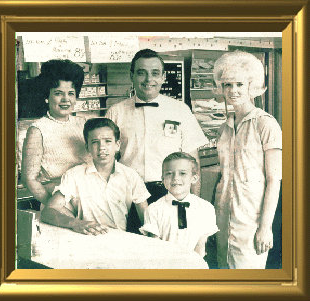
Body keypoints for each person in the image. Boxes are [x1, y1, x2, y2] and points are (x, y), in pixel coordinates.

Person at [105, 49, 209, 231]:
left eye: (154, 73)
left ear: (163, 77)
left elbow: (193, 161)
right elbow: (106, 161)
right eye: (141, 73)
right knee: (132, 249)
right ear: (132, 76)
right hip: (127, 195)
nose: (148, 79)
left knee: (172, 249)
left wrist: (193, 201)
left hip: (171, 192)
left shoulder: (180, 110)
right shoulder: (116, 112)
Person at [213, 51, 282, 269]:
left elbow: (274, 180)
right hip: (222, 216)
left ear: (251, 86)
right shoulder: (225, 127)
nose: (233, 91)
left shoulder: (265, 124)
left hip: (251, 220)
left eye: (239, 84)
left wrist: (265, 227)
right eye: (227, 85)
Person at [41, 118, 150, 235]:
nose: (101, 147)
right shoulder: (74, 175)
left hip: (120, 239)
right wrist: (76, 223)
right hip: (87, 238)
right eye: (95, 142)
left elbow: (146, 217)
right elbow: (48, 211)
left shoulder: (131, 175)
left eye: (108, 141)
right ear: (87, 147)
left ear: (117, 145)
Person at [21, 59, 90, 206]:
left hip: (88, 199)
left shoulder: (83, 123)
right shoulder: (37, 130)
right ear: (47, 97)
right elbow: (29, 179)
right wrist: (55, 207)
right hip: (57, 203)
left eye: (70, 93)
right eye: (58, 93)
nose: (66, 99)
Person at [139, 152, 218, 268]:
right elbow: (155, 248)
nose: (176, 178)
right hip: (164, 267)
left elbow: (201, 245)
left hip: (195, 267)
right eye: (169, 173)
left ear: (194, 178)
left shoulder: (206, 208)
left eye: (182, 173)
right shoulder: (153, 210)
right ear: (162, 179)